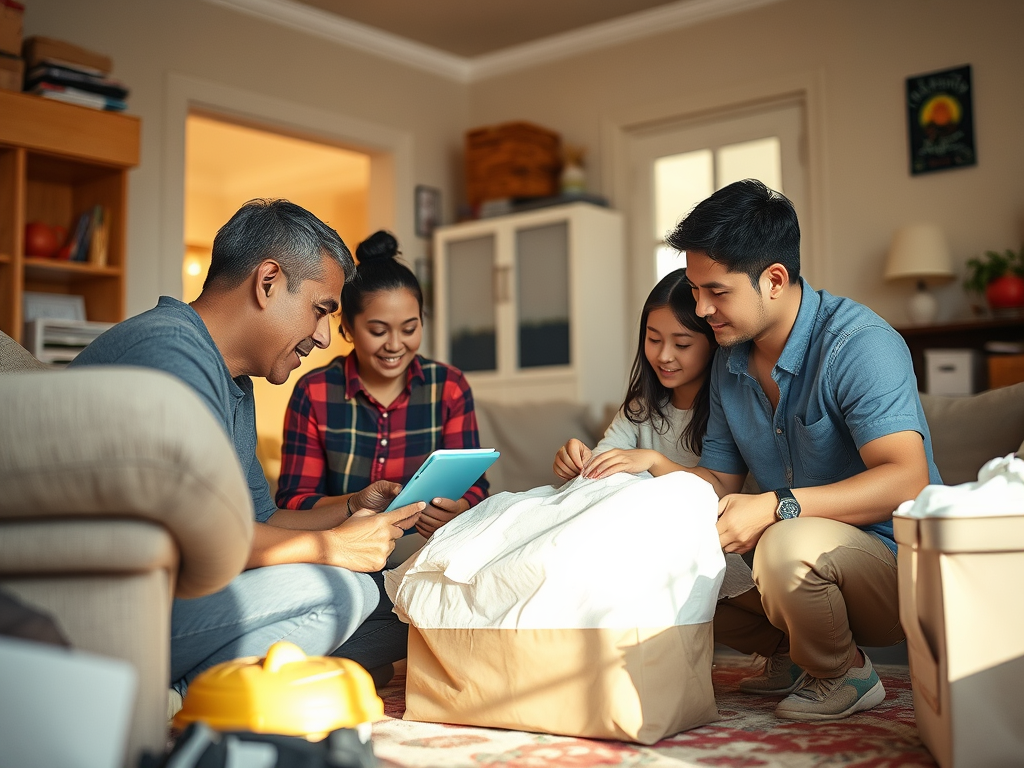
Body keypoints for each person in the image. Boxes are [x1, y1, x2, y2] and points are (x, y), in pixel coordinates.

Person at [70, 199, 423, 705]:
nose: (324, 337)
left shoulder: (234, 381)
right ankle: (180, 699)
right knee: (348, 591)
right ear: (268, 282)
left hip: (183, 598)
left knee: (405, 611)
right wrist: (331, 548)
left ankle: (277, 671)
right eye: (321, 310)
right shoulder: (170, 351)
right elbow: (198, 539)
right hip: (118, 608)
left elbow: (262, 520)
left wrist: (351, 508)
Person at [667, 179, 941, 721]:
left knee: (783, 541)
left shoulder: (861, 345)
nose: (701, 309)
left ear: (773, 280)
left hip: (896, 567)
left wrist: (776, 506)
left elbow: (908, 479)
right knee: (664, 550)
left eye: (716, 291)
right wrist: (641, 498)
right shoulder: (729, 359)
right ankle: (793, 657)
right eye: (695, 290)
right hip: (793, 564)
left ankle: (844, 673)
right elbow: (718, 479)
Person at [276, 229, 489, 671]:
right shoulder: (315, 392)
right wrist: (356, 506)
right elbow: (293, 503)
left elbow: (476, 488)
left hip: (426, 559)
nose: (396, 345)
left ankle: (350, 658)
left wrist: (457, 510)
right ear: (347, 328)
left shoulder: (449, 387)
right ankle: (366, 656)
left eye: (410, 328)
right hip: (346, 561)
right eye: (378, 330)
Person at [553, 268, 717, 481]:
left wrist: (654, 461)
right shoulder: (640, 408)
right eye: (654, 340)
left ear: (714, 343)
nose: (664, 356)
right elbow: (603, 463)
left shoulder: (724, 411)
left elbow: (720, 486)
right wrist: (579, 459)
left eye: (681, 344)